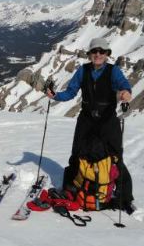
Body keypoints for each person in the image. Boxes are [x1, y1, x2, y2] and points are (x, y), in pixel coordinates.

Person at [46, 37, 135, 214]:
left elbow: (123, 85)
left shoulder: (113, 71)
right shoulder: (83, 71)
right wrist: (55, 96)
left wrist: (126, 93)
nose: (98, 54)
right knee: (77, 154)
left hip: (108, 120)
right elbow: (71, 92)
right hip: (86, 119)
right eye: (94, 51)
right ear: (89, 54)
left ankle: (125, 198)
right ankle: (70, 189)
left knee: (115, 158)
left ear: (107, 54)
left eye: (102, 52)